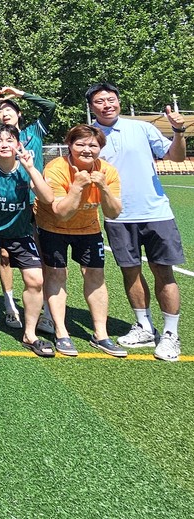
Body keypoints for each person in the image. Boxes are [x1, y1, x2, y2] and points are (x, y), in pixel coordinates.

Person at [86, 83, 188, 361]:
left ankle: (170, 334)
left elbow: (175, 156)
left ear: (118, 101)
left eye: (111, 99)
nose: (107, 105)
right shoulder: (90, 135)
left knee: (163, 271)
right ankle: (144, 326)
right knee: (130, 272)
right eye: (99, 101)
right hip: (117, 215)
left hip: (156, 213)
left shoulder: (142, 128)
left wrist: (179, 131)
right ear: (91, 107)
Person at [0, 86, 57, 333]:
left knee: (39, 266)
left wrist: (19, 93)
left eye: (9, 109)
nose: (4, 113)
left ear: (19, 113)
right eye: (0, 111)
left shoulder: (33, 131)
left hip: (30, 201)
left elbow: (50, 106)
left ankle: (45, 314)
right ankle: (7, 306)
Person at [35, 124, 124, 357]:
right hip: (53, 226)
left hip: (88, 228)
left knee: (95, 275)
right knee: (56, 274)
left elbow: (114, 212)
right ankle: (61, 332)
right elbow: (61, 213)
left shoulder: (108, 171)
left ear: (100, 148)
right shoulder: (56, 168)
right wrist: (77, 186)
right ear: (70, 145)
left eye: (93, 145)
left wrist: (103, 187)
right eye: (80, 144)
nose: (86, 149)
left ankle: (101, 334)